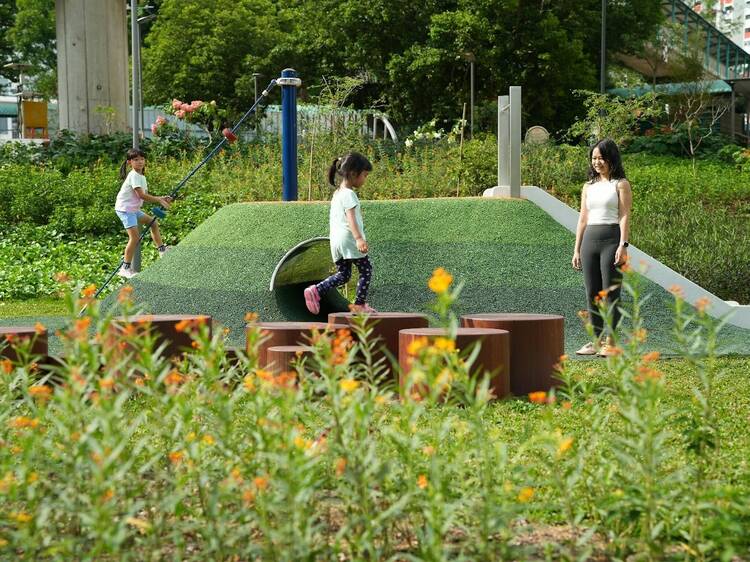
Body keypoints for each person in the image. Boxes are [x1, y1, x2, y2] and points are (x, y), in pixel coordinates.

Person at [572, 139, 632, 356]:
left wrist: (623, 245)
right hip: (589, 240)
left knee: (611, 293)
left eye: (601, 158)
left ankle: (611, 342)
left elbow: (624, 215)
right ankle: (595, 341)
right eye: (594, 158)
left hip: (611, 239)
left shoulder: (620, 184)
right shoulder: (588, 186)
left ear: (611, 158)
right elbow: (582, 218)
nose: (597, 162)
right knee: (592, 293)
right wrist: (577, 249)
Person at [304, 152, 375, 315]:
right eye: (364, 175)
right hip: (349, 239)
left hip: (335, 241)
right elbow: (351, 218)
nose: (365, 179)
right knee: (366, 269)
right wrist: (358, 238)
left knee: (344, 274)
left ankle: (316, 290)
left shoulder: (337, 194)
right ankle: (359, 304)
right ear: (353, 173)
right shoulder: (349, 194)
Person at [114, 148, 172, 279]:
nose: (140, 162)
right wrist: (159, 200)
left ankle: (162, 250)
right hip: (125, 210)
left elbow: (143, 196)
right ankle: (125, 268)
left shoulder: (141, 176)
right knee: (134, 238)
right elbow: (141, 195)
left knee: (153, 223)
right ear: (130, 162)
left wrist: (162, 198)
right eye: (136, 160)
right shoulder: (134, 176)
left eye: (142, 159)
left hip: (133, 209)